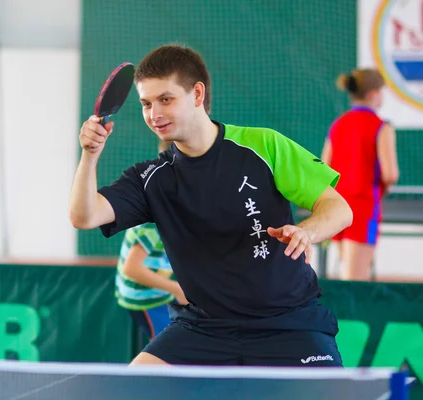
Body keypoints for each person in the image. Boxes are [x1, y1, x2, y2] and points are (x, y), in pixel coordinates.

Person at [69, 44, 353, 367]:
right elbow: (84, 215)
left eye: (165, 99)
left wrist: (306, 231)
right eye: (146, 104)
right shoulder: (151, 179)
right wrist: (90, 156)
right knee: (134, 386)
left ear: (198, 94)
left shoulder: (263, 146)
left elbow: (339, 209)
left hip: (289, 324)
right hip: (205, 329)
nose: (154, 114)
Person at [321, 69, 399, 281]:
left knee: (346, 273)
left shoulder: (338, 125)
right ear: (373, 94)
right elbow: (390, 173)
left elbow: (323, 167)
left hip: (335, 206)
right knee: (354, 282)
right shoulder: (381, 127)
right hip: (362, 208)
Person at [115, 140, 188, 342]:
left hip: (162, 288)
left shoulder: (180, 206)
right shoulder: (154, 219)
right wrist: (176, 289)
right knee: (164, 345)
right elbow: (132, 268)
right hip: (144, 297)